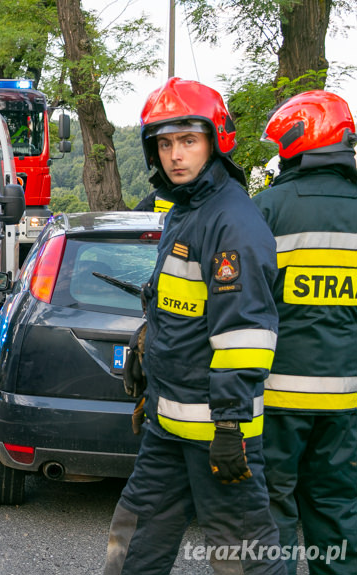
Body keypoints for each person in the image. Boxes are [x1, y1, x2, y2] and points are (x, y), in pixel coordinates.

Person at [104, 77, 284, 575]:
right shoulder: (187, 211)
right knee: (133, 542)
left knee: (243, 560)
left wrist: (230, 424)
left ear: (215, 140)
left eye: (188, 140)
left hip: (219, 435)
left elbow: (245, 332)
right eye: (165, 143)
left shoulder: (232, 223)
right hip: (168, 425)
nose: (175, 155)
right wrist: (147, 356)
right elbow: (180, 309)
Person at [252, 90, 357, 575]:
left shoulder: (266, 210)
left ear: (296, 140)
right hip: (347, 404)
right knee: (338, 512)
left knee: (272, 512)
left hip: (276, 400)